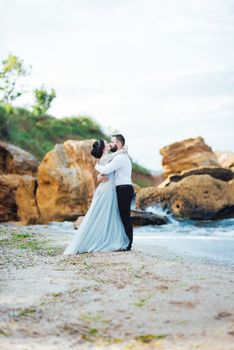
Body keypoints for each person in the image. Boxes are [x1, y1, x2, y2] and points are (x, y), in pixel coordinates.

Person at [63, 139, 129, 255]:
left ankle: (107, 238)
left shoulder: (106, 158)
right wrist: (122, 151)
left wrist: (98, 172)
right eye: (106, 143)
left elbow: (109, 164)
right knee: (104, 215)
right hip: (107, 190)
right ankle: (104, 239)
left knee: (108, 215)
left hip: (109, 188)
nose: (109, 143)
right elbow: (113, 158)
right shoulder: (105, 158)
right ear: (104, 148)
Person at [95, 134, 134, 251]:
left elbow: (106, 169)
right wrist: (99, 175)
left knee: (125, 217)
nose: (110, 144)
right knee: (121, 216)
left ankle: (128, 244)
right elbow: (107, 169)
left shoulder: (120, 158)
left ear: (118, 144)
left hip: (124, 188)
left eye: (112, 142)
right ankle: (123, 241)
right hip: (122, 188)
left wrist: (96, 167)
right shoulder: (118, 156)